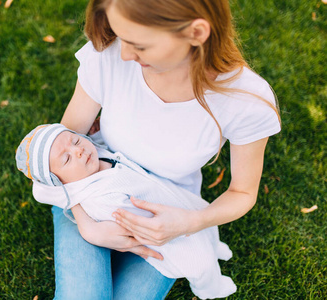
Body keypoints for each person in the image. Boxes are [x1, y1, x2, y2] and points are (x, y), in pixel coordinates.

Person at [42, 0, 281, 299]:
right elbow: (65, 140)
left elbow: (243, 193)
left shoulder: (245, 102)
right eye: (121, 36)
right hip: (87, 193)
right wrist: (87, 225)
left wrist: (189, 223)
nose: (125, 53)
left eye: (139, 45)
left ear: (196, 33)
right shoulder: (111, 54)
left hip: (167, 216)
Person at [16, 123, 237, 299]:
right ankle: (210, 289)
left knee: (204, 218)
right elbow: (128, 227)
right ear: (60, 183)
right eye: (67, 159)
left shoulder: (95, 155)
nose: (79, 151)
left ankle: (216, 246)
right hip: (164, 236)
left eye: (75, 140)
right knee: (198, 261)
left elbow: (94, 142)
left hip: (174, 199)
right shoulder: (100, 199)